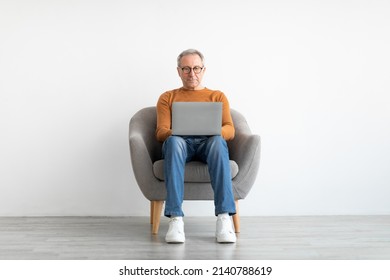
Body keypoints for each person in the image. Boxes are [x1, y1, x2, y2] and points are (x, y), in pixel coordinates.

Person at [155, 49, 237, 243]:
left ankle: (224, 218)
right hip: (181, 144)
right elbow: (161, 132)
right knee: (174, 142)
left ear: (203, 70)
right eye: (186, 69)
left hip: (209, 143)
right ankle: (175, 219)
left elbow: (230, 129)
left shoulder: (217, 96)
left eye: (196, 68)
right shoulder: (168, 97)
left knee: (218, 141)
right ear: (178, 71)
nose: (192, 73)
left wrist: (215, 131)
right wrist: (178, 132)